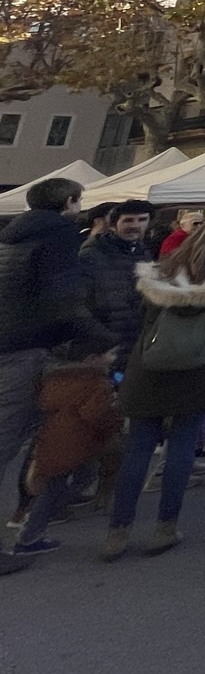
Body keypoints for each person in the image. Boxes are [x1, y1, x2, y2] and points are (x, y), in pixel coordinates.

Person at [104, 206, 205, 560]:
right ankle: (164, 527)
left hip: (153, 359)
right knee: (182, 443)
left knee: (139, 445)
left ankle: (117, 531)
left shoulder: (165, 269)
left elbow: (144, 314)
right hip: (204, 362)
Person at [0, 177, 107, 529]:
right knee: (10, 443)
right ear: (71, 202)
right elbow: (65, 303)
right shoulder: (59, 234)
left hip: (9, 341)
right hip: (24, 348)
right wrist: (103, 340)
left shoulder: (12, 233)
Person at [11, 344, 122, 559]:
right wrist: (116, 418)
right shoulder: (96, 383)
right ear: (92, 358)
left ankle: (34, 520)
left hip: (53, 439)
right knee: (63, 485)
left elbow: (45, 403)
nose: (113, 357)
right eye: (109, 353)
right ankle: (30, 535)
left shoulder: (57, 379)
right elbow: (96, 415)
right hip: (78, 443)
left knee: (60, 481)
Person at [78, 199, 153, 369]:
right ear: (113, 224)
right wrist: (101, 342)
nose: (136, 225)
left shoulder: (142, 252)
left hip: (134, 340)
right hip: (106, 344)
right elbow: (80, 304)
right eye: (128, 220)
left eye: (142, 220)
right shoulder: (93, 253)